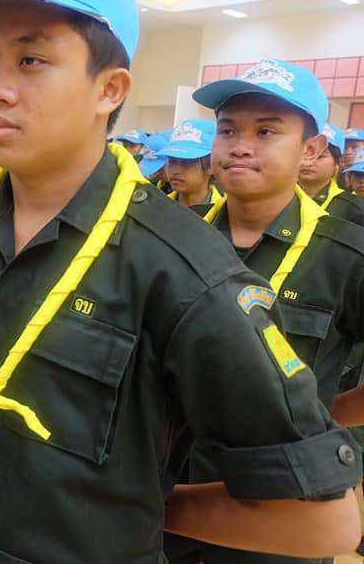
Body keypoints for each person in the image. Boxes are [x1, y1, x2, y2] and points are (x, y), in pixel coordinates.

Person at [0, 0, 362, 564]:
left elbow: (324, 521)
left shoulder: (182, 268)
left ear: (109, 90)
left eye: (31, 60)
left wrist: (139, 509)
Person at [161, 58, 364, 564]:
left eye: (266, 131)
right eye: (228, 130)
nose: (240, 146)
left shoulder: (344, 256)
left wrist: (329, 413)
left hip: (276, 508)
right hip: (169, 492)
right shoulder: (170, 238)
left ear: (311, 149)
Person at [300, 123, 364, 226]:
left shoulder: (354, 208)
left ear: (337, 163)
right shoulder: (276, 195)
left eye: (320, 156)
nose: (309, 161)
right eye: (304, 153)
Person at [159, 119, 223, 216]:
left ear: (211, 166)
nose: (176, 170)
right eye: (172, 160)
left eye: (187, 161)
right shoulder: (156, 209)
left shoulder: (225, 215)